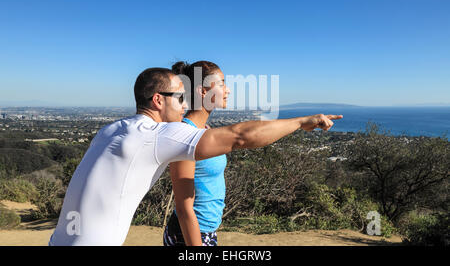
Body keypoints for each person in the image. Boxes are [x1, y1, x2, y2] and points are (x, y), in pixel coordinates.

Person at [49, 67, 342, 246]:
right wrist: (302, 122)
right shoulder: (156, 135)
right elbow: (240, 137)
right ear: (158, 100)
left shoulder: (111, 130)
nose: (185, 104)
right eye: (180, 97)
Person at [163, 61, 230, 246]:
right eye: (222, 84)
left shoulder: (205, 130)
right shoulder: (186, 135)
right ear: (203, 91)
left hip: (204, 231)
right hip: (190, 235)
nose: (228, 90)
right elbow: (184, 208)